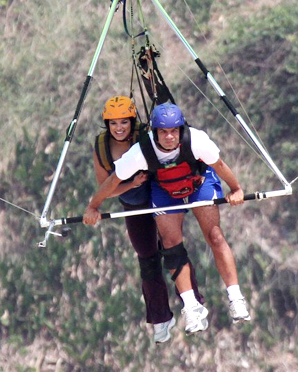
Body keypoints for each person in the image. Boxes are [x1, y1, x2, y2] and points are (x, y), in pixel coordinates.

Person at [84, 102, 251, 335]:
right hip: (166, 188)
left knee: (214, 235)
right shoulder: (141, 151)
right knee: (171, 245)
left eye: (174, 131)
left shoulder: (197, 140)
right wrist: (93, 206)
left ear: (181, 130)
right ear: (154, 132)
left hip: (198, 181)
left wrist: (236, 189)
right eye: (163, 131)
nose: (169, 137)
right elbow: (111, 182)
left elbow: (220, 165)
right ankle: (191, 307)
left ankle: (235, 297)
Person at [92, 96, 203, 343]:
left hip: (158, 195)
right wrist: (129, 184)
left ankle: (193, 304)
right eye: (113, 124)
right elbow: (105, 187)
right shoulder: (101, 146)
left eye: (124, 122)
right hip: (133, 203)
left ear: (133, 122)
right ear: (107, 125)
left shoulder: (147, 136)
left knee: (173, 249)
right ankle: (161, 318)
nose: (119, 128)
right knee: (147, 258)